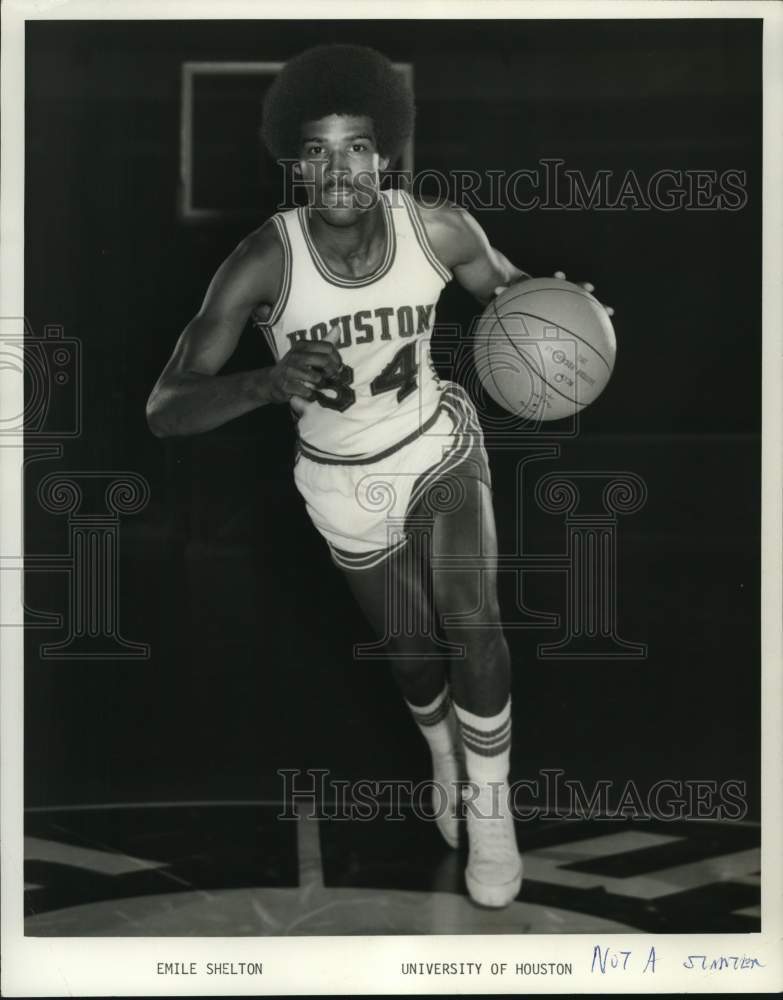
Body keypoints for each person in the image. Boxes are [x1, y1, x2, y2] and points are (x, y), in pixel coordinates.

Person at [147, 43, 606, 908]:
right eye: (318, 149)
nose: (340, 167)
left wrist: (567, 309)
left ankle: (490, 809)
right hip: (339, 481)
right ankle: (441, 751)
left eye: (357, 144)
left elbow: (513, 294)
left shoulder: (436, 228)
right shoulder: (262, 262)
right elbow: (165, 406)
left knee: (470, 616)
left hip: (436, 446)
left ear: (385, 150)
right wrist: (264, 380)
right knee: (410, 658)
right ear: (292, 162)